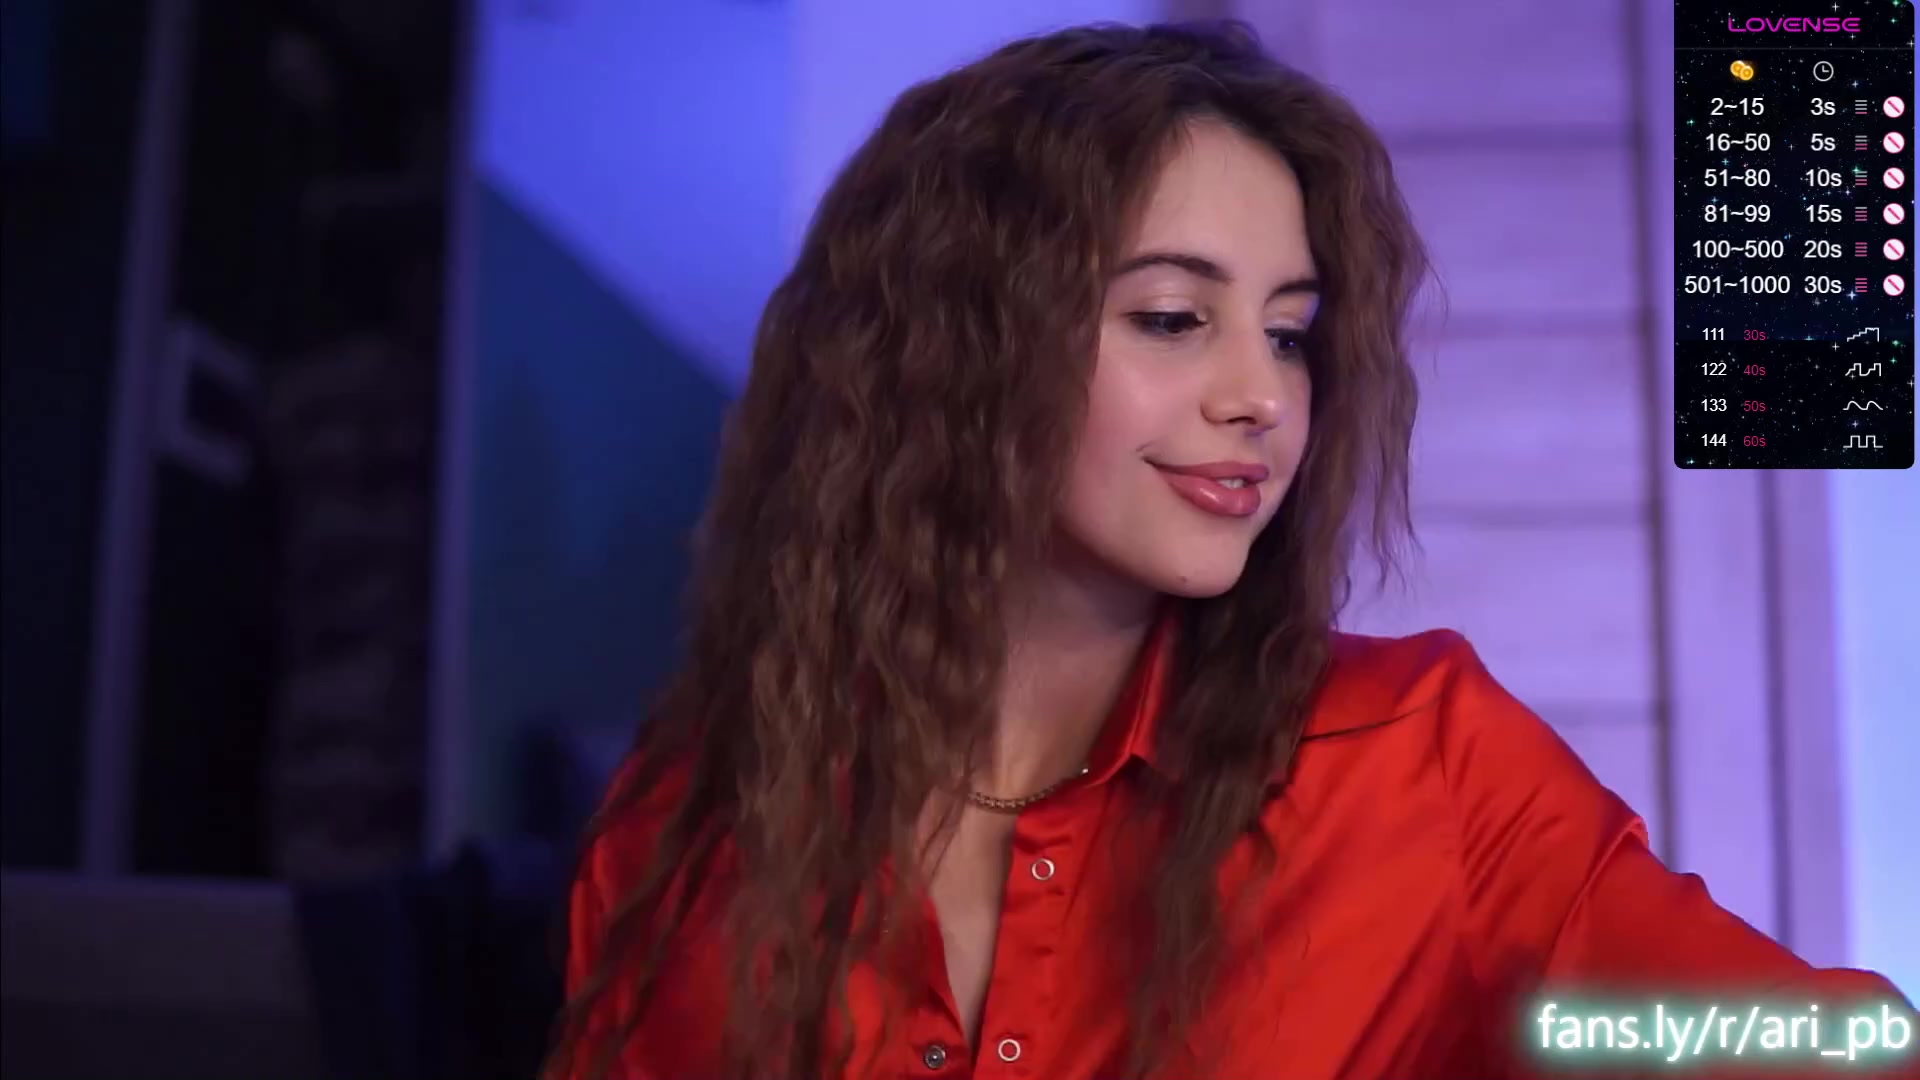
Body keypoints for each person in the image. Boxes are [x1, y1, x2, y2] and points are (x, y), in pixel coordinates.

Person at [546, 21, 1913, 1080]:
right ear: (954, 351)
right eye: (1171, 319)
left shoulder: (1422, 769)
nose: (1261, 396)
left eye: (1290, 334)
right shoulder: (686, 825)